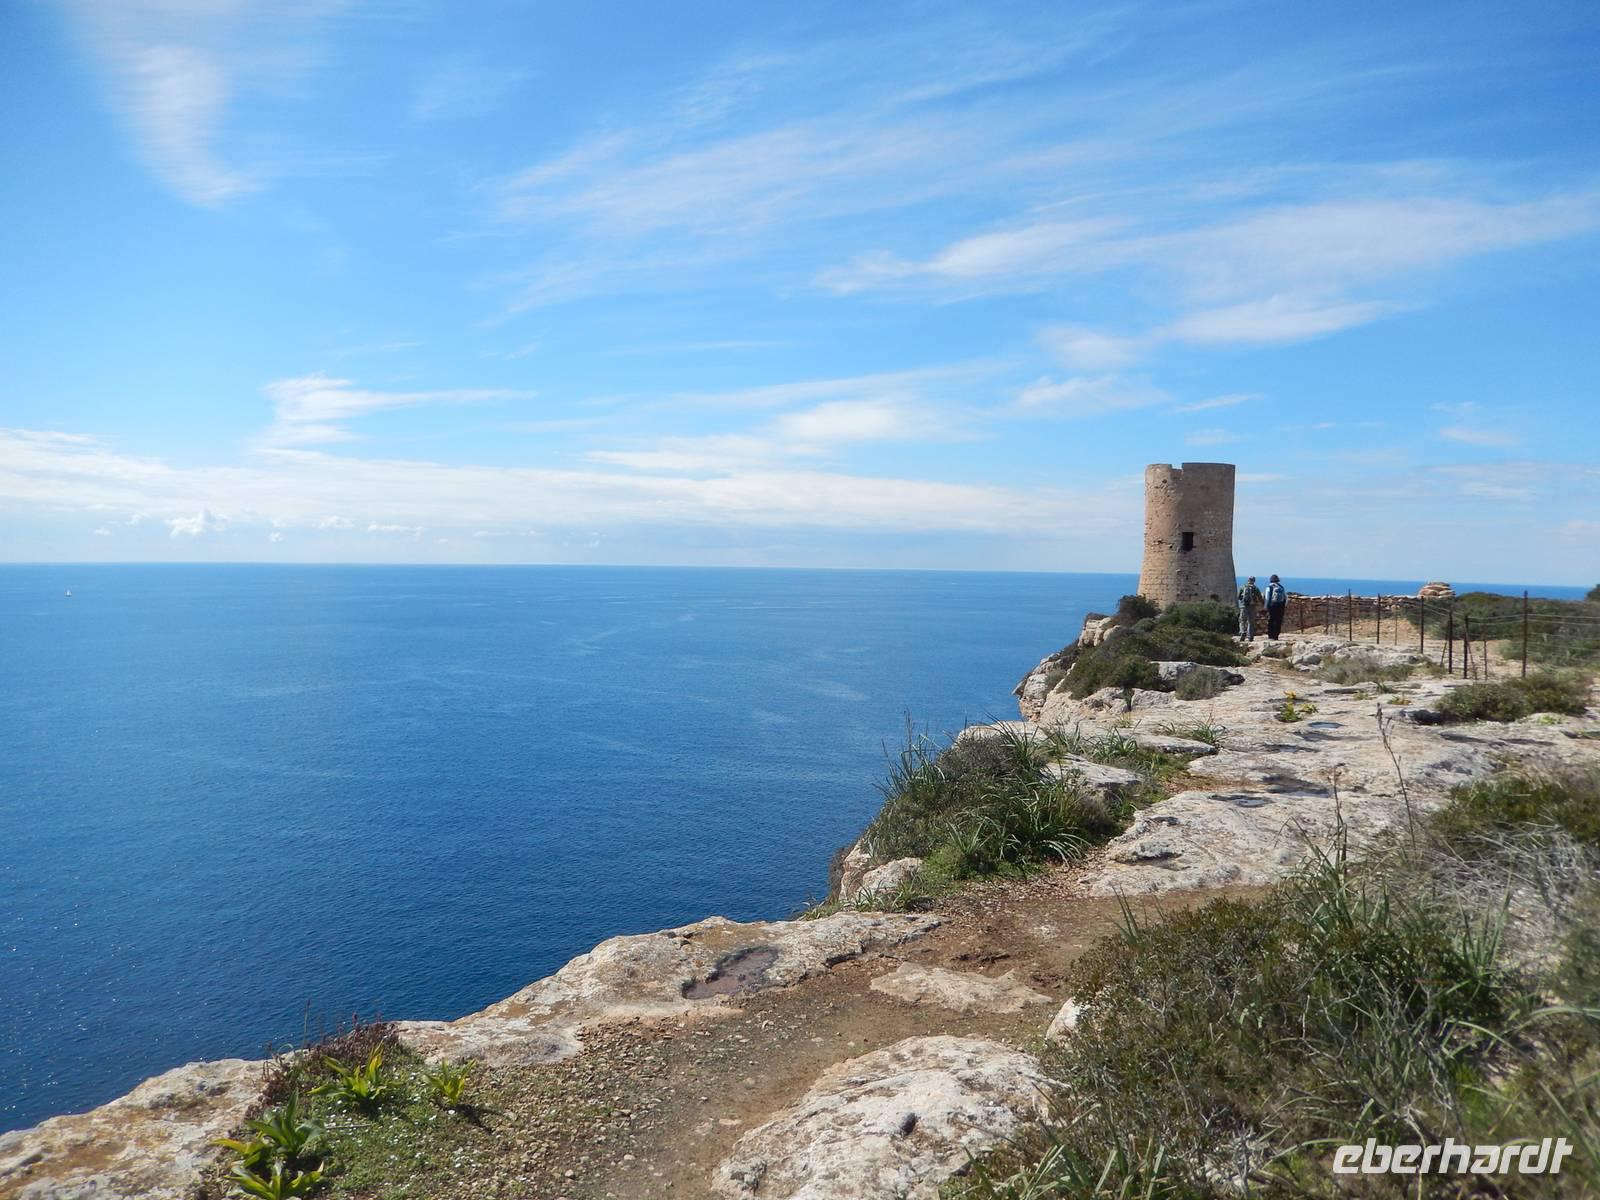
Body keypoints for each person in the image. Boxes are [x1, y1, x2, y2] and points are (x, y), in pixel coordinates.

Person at [1237, 576, 1263, 640]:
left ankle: (1242, 632)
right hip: (1252, 606)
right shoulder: (1255, 588)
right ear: (1254, 581)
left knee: (1242, 620)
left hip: (1243, 606)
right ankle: (1250, 636)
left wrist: (1243, 601)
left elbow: (1238, 596)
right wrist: (1262, 604)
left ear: (1248, 580)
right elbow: (1260, 597)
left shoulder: (1242, 587)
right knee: (1251, 621)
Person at [1265, 574, 1288, 640]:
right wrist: (1284, 606)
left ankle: (1271, 635)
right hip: (1280, 606)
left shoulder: (1269, 587)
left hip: (1272, 605)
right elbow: (1286, 598)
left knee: (1271, 620)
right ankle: (1276, 635)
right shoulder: (1281, 587)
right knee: (1278, 621)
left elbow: (1267, 597)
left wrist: (1266, 606)